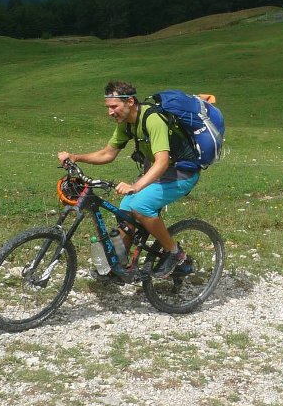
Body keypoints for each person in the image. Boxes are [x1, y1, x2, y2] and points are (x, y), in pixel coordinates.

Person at [57, 80, 199, 279]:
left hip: (182, 174)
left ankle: (175, 254)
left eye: (114, 107)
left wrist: (136, 186)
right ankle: (119, 266)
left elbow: (162, 162)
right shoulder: (127, 123)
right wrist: (76, 157)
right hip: (159, 174)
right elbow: (108, 153)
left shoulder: (153, 119)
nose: (110, 112)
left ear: (130, 101)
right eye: (108, 107)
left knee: (140, 207)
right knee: (125, 211)